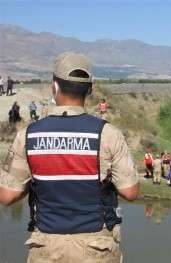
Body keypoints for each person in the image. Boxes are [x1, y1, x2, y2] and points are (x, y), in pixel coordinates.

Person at [0, 52, 140, 262]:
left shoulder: (28, 135)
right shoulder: (108, 133)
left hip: (46, 246)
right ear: (90, 89)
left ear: (54, 86)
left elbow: (6, 196)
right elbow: (130, 192)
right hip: (96, 247)